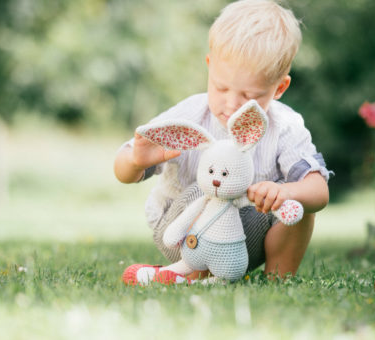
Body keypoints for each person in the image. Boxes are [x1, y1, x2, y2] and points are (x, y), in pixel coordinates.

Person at [114, 0, 331, 285]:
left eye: (248, 96)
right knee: (208, 186)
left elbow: (319, 191)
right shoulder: (191, 114)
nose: (231, 105)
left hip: (246, 237)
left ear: (279, 88)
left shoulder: (285, 126)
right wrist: (134, 162)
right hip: (182, 230)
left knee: (299, 207)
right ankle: (193, 271)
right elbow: (122, 169)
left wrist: (285, 191)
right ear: (209, 66)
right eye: (220, 87)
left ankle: (277, 279)